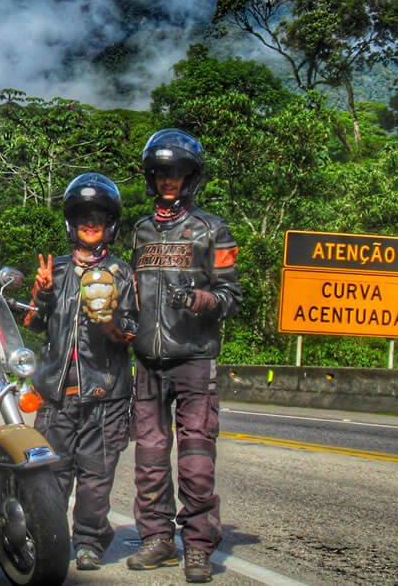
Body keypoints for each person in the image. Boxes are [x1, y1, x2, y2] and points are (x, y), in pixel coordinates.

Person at [126, 129, 242, 583]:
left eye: (176, 173)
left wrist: (200, 299)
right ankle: (156, 539)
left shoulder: (212, 229)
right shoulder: (139, 231)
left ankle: (197, 546)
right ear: (152, 178)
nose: (168, 180)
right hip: (147, 362)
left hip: (194, 359)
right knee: (150, 456)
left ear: (190, 177)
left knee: (196, 459)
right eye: (161, 173)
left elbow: (232, 295)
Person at [24, 172, 137, 572]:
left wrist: (108, 321)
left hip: (105, 394)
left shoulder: (123, 273)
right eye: (84, 217)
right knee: (51, 477)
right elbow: (35, 326)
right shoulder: (53, 270)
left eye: (100, 217)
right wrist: (42, 294)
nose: (92, 224)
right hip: (57, 394)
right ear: (73, 224)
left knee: (96, 476)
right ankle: (49, 540)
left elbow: (132, 332)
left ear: (110, 225)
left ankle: (90, 540)